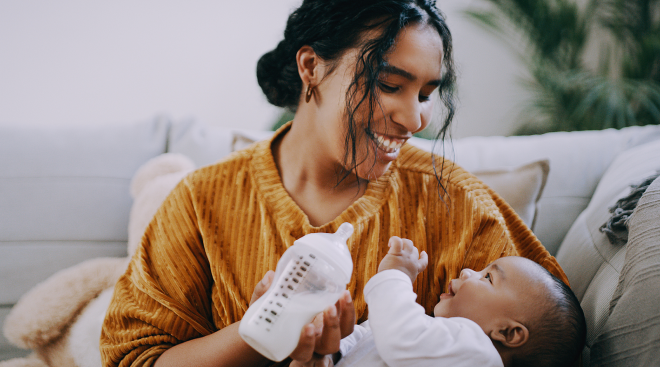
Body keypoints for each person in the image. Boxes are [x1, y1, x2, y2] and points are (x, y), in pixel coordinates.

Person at [100, 1, 569, 366]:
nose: (413, 118)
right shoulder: (201, 202)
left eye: (427, 94)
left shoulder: (455, 203)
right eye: (389, 84)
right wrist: (259, 334)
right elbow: (136, 358)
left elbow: (551, 338)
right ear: (311, 68)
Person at [323, 237, 586, 367]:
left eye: (488, 277)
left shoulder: (478, 354)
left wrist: (396, 275)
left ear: (508, 332)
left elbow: (399, 336)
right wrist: (332, 346)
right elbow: (373, 336)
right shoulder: (433, 331)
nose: (468, 271)